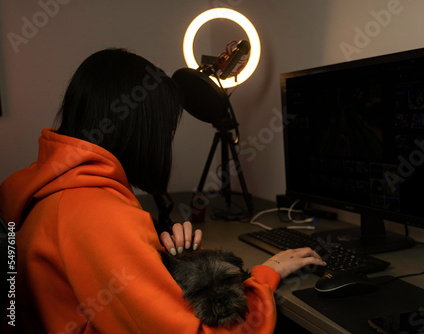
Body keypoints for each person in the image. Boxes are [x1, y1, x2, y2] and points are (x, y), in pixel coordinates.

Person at [0, 48, 324, 333]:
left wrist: (164, 269)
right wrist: (267, 273)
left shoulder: (43, 187)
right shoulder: (96, 215)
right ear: (140, 129)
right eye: (166, 129)